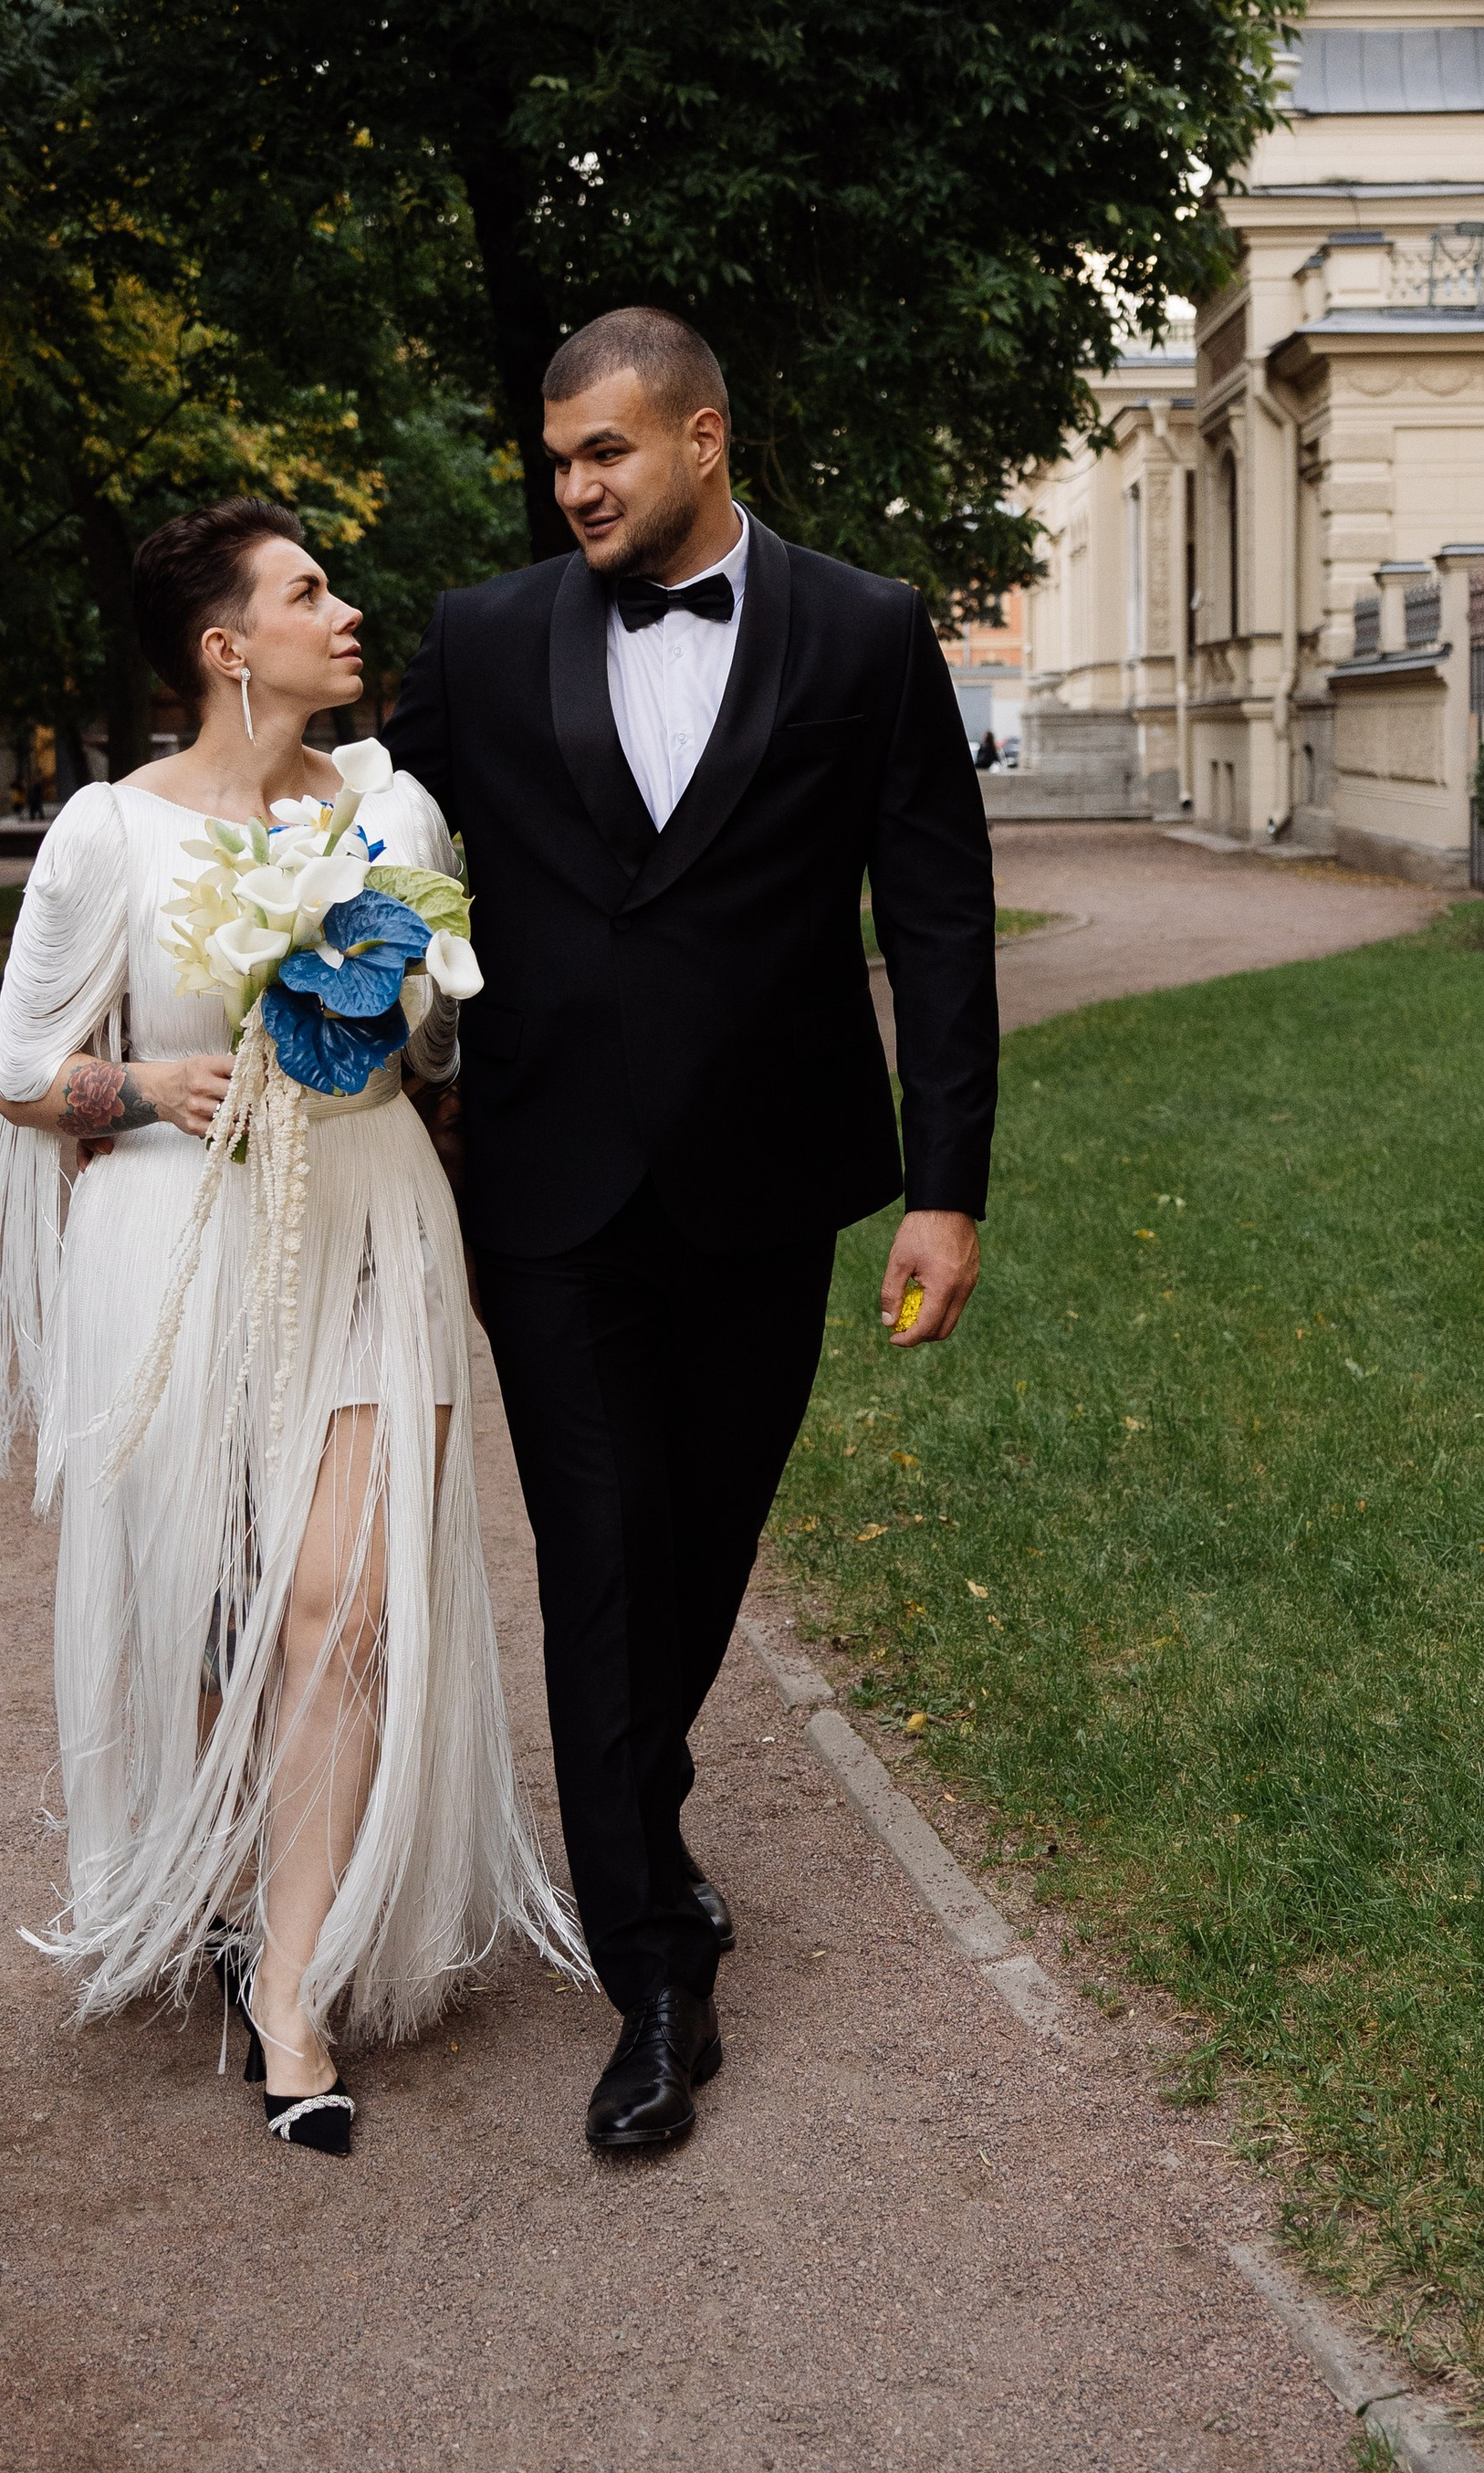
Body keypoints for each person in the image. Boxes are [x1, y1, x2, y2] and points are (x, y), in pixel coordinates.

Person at [386, 309, 998, 2152]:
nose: (570, 485)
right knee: (595, 1546)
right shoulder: (483, 640)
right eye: (555, 458)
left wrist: (945, 1186)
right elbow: (378, 847)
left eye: (605, 454)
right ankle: (653, 1972)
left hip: (767, 1172)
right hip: (544, 1181)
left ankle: (632, 1808)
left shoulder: (867, 630)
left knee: (707, 1536)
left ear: (703, 439)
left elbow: (942, 918)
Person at [0, 498, 579, 2154]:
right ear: (229, 647)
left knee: (344, 1605)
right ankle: (225, 1880)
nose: (346, 611)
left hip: (371, 1215)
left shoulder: (398, 807)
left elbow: (439, 1053)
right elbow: (23, 1073)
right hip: (179, 1228)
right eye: (309, 593)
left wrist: (411, 1013)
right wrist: (143, 1080)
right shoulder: (112, 833)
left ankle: (289, 1978)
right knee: (214, 1612)